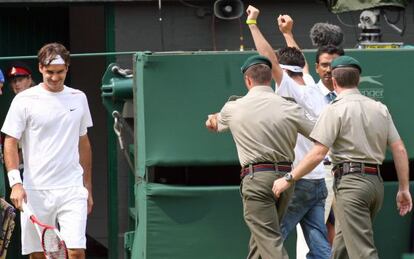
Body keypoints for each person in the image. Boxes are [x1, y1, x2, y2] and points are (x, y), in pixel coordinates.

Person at [273, 55, 412, 259]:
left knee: (362, 252)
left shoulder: (334, 109)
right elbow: (399, 149)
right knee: (342, 249)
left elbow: (318, 153)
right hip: (375, 184)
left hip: (351, 184)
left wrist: (289, 178)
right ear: (358, 80)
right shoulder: (380, 108)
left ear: (335, 81)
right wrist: (404, 188)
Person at [205, 54, 314, 259]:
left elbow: (214, 124)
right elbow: (320, 134)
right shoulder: (289, 106)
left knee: (268, 240)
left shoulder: (233, 107)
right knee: (261, 240)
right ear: (270, 78)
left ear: (247, 80)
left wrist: (211, 119)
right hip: (285, 180)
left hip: (256, 179)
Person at [246, 6, 331, 258]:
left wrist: (252, 23)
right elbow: (300, 64)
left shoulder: (287, 88)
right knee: (319, 246)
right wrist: (288, 33)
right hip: (318, 181)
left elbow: (268, 57)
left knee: (271, 240)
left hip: (297, 178)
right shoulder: (313, 88)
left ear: (282, 69)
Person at [1, 42, 93, 259]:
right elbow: (10, 141)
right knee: (37, 255)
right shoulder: (23, 100)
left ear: (67, 68)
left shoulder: (78, 97)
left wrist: (87, 186)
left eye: (60, 72)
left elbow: (84, 143)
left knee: (76, 252)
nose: (54, 77)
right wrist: (16, 183)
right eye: (50, 71)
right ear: (40, 68)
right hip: (35, 190)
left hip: (72, 188)